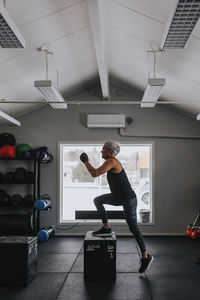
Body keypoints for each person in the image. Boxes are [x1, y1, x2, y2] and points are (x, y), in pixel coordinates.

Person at [80, 141, 153, 273]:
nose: (101, 152)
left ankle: (145, 256)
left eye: (103, 149)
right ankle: (106, 227)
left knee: (133, 228)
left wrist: (86, 161)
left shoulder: (112, 161)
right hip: (118, 197)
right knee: (98, 200)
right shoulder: (111, 162)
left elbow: (95, 173)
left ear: (109, 151)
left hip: (128, 199)